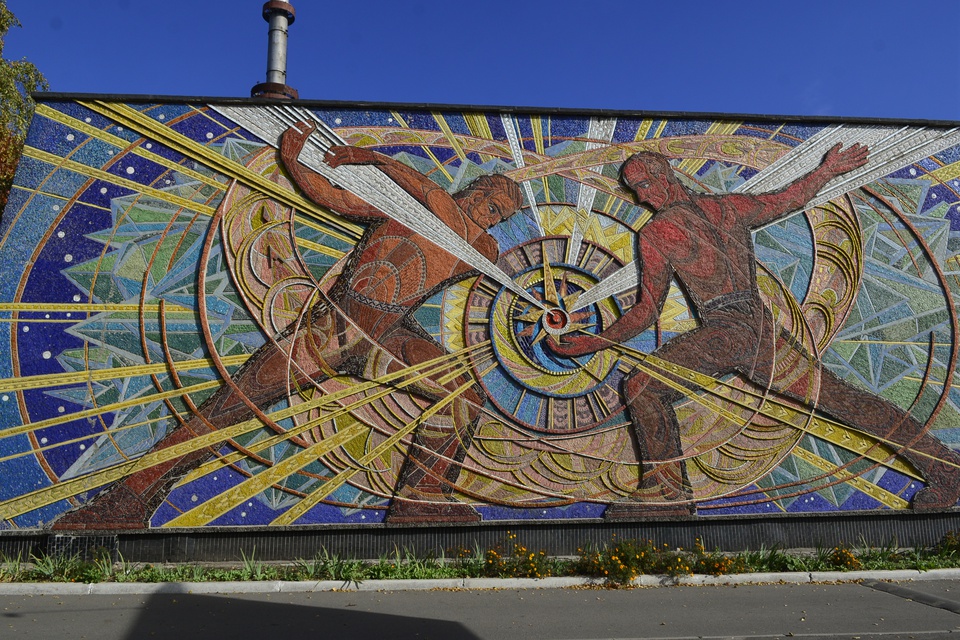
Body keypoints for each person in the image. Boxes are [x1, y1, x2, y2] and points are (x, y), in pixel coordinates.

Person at [53, 121, 523, 529]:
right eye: (488, 199)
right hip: (331, 334)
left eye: (500, 212)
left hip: (387, 337)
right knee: (230, 410)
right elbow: (336, 196)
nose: (489, 212)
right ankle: (126, 498)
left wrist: (377, 159)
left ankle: (421, 498)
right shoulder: (413, 209)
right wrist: (298, 163)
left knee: (464, 392)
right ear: (472, 188)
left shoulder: (481, 248)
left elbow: (455, 223)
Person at [548, 143, 960, 518]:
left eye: (640, 185)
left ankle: (669, 493)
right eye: (633, 188)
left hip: (729, 331)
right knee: (843, 400)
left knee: (641, 386)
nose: (639, 196)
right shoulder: (729, 207)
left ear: (662, 177)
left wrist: (588, 342)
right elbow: (788, 199)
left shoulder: (659, 232)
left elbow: (646, 311)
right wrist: (827, 171)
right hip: (760, 330)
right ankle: (943, 467)